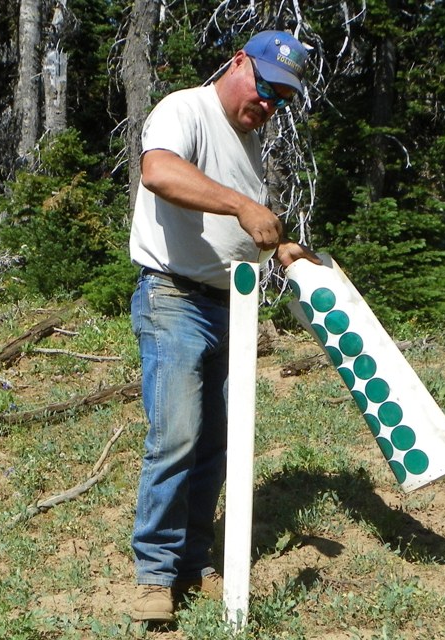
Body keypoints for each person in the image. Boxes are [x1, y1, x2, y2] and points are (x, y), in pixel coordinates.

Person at [128, 30, 320, 622]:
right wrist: (242, 205)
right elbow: (159, 172)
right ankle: (153, 576)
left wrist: (281, 248)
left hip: (229, 304)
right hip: (174, 296)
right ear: (239, 63)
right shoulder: (184, 109)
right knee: (178, 435)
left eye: (280, 99)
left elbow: (241, 227)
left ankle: (192, 563)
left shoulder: (250, 142)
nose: (267, 104)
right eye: (264, 87)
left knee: (215, 442)